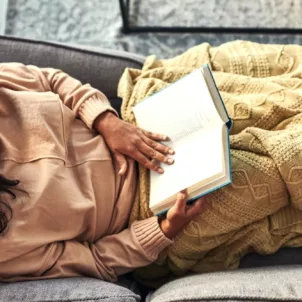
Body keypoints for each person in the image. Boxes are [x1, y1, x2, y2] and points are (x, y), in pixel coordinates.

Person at [0, 63, 206, 282]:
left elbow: (50, 80)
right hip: (150, 210)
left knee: (227, 74)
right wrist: (163, 231)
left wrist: (106, 121)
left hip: (135, 120)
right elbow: (94, 260)